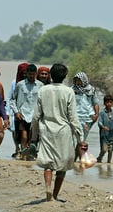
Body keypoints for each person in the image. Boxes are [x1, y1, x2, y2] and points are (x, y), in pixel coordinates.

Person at [32, 63, 84, 202]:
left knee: (48, 164)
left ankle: (48, 188)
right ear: (65, 76)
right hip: (63, 132)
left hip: (47, 130)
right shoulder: (68, 92)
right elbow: (73, 117)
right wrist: (80, 138)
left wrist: (34, 136)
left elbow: (36, 116)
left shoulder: (43, 90)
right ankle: (54, 195)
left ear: (50, 75)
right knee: (62, 165)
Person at [9, 64, 42, 159]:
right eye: (29, 74)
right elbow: (12, 99)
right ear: (26, 74)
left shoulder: (40, 85)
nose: (31, 76)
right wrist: (16, 112)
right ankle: (23, 155)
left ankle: (30, 154)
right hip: (22, 114)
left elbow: (42, 100)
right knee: (23, 136)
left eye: (33, 74)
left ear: (36, 74)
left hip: (34, 114)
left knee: (32, 137)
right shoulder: (20, 84)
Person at [72, 71, 99, 143]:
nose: (77, 82)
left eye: (79, 80)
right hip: (76, 117)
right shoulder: (72, 90)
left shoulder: (91, 90)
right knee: (77, 139)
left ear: (84, 80)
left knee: (83, 138)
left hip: (88, 118)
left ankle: (78, 153)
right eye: (76, 80)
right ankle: (77, 153)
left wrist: (96, 114)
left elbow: (95, 103)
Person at [96, 94, 113, 164]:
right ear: (104, 103)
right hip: (104, 134)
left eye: (110, 102)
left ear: (112, 103)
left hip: (112, 135)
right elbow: (99, 122)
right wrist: (103, 127)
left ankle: (109, 163)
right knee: (104, 149)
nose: (109, 104)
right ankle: (99, 158)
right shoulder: (102, 113)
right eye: (107, 102)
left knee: (111, 150)